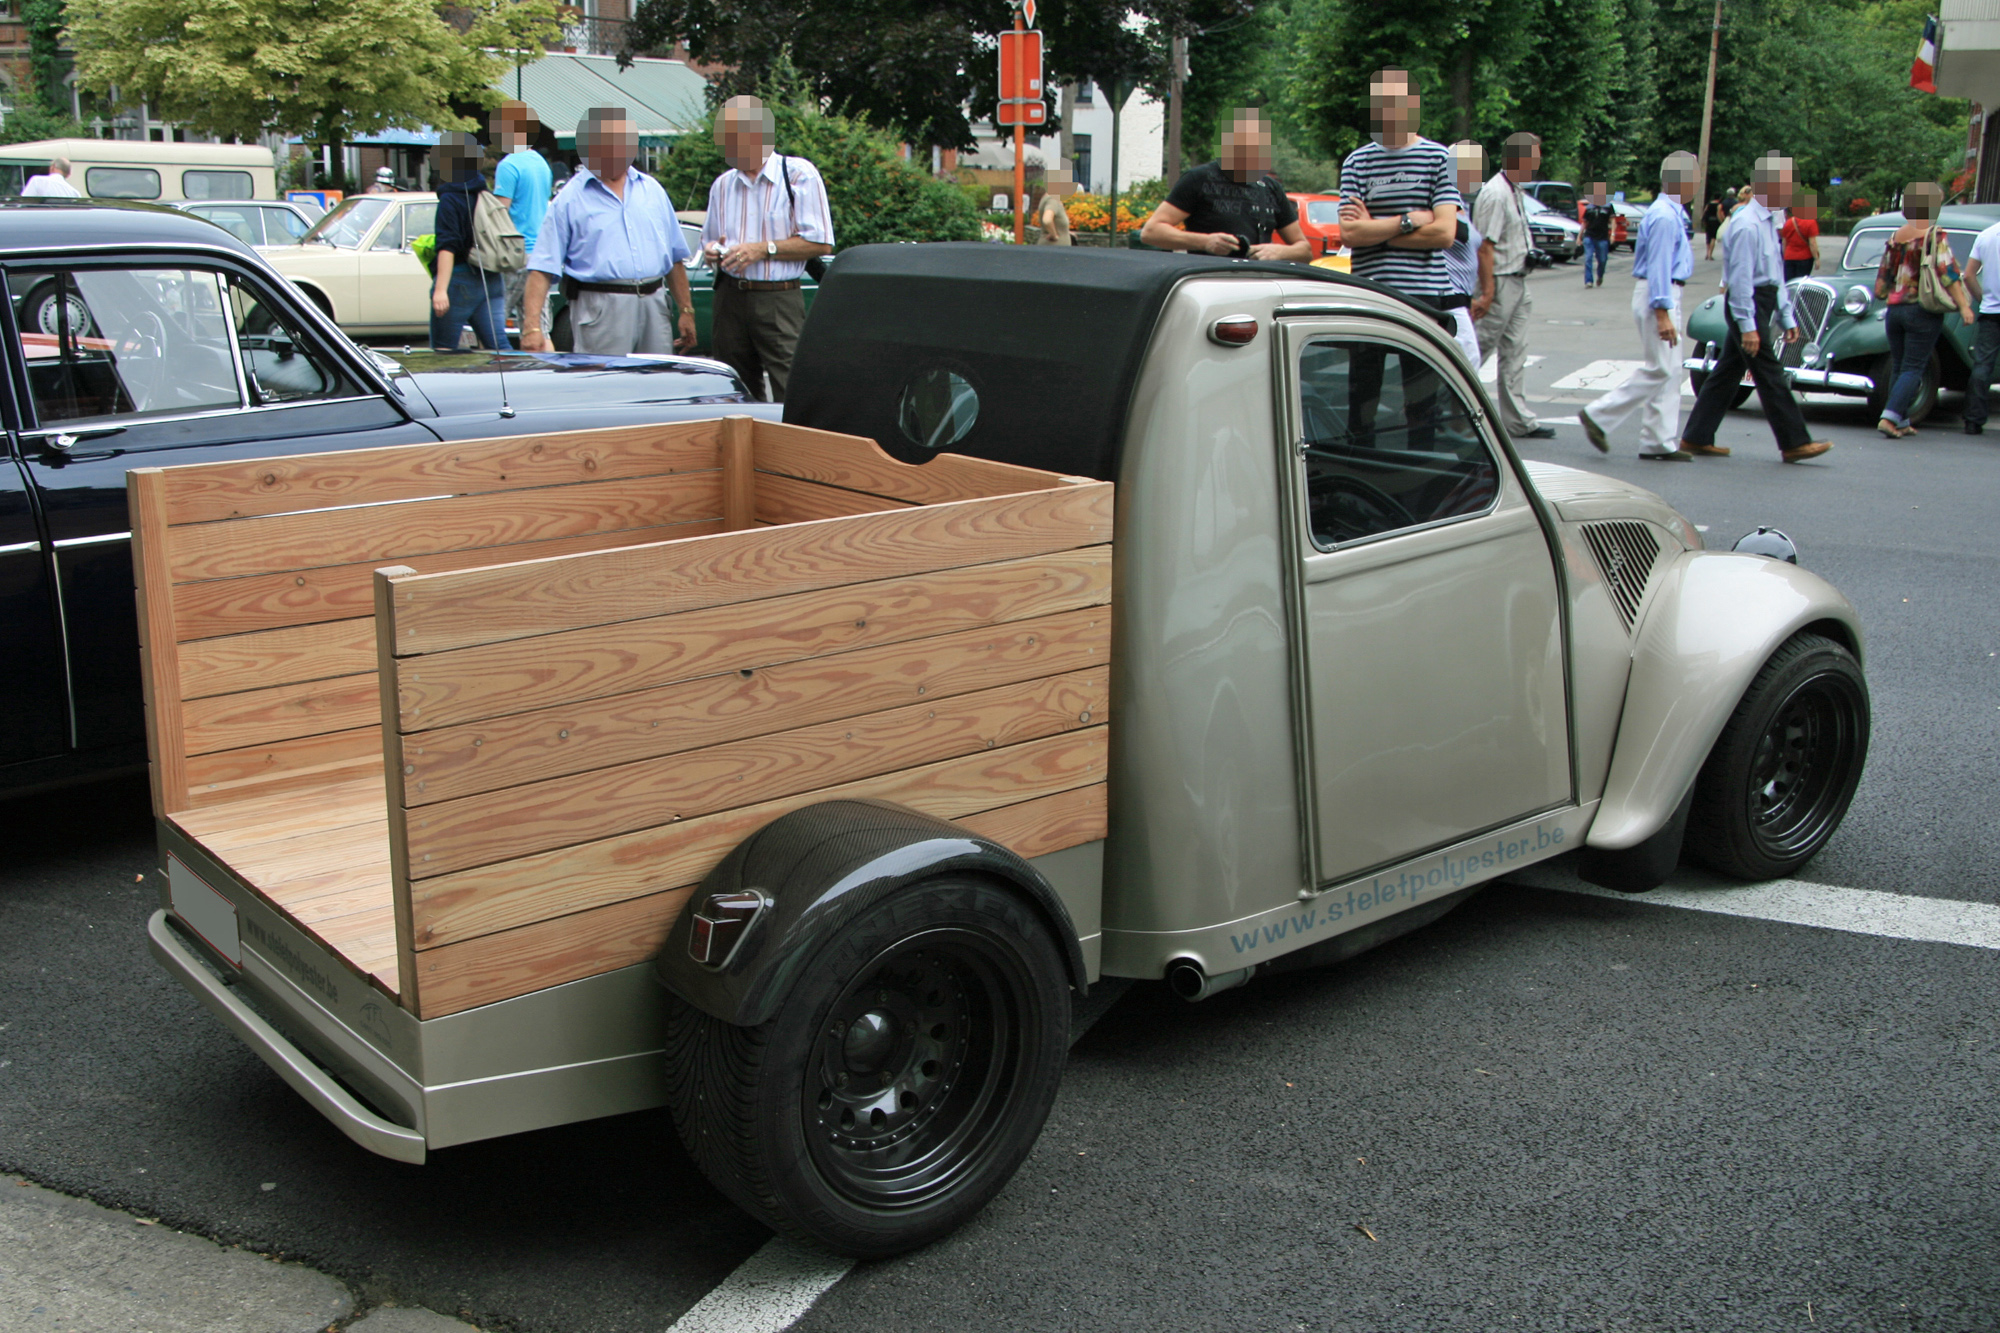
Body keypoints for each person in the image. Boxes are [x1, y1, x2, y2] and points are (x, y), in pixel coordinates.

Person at [1679, 153, 1832, 463]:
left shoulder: (1769, 220)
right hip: (1746, 303)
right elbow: (1740, 280)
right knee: (1769, 372)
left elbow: (1775, 273)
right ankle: (1794, 442)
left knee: (1727, 371)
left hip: (1760, 300)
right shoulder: (1747, 225)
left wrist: (1786, 314)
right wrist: (1747, 325)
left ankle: (1695, 436)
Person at [522, 107, 697, 357]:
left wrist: (686, 311)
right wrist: (531, 328)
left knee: (657, 386)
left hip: (654, 306)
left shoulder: (652, 191)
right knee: (607, 387)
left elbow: (674, 258)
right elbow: (541, 267)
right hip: (600, 310)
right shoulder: (570, 199)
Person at [700, 95, 834, 401]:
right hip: (729, 297)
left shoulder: (798, 174)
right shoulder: (722, 184)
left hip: (777, 298)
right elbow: (709, 239)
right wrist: (711, 251)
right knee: (733, 388)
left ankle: (794, 447)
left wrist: (764, 249)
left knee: (792, 386)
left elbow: (821, 241)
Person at [1579, 152, 1698, 461]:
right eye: (1695, 175)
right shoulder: (1664, 216)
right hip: (1660, 293)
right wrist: (1662, 312)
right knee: (1661, 367)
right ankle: (1599, 414)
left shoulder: (1670, 213)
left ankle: (1658, 441)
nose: (1698, 181)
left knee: (1669, 370)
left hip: (1664, 293)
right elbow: (1658, 265)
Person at [1871, 181, 1973, 438]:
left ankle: (1901, 419)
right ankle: (1890, 417)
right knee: (1914, 366)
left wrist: (1883, 294)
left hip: (1895, 310)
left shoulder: (1897, 235)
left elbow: (1884, 275)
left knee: (1899, 365)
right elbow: (1947, 272)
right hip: (1922, 309)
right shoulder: (1933, 235)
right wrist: (1963, 306)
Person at [1140, 108, 1311, 261]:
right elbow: (1151, 232)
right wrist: (1206, 242)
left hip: (1258, 282)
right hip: (1210, 282)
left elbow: (1304, 250)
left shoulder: (1270, 188)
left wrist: (1280, 252)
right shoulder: (1199, 179)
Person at [1473, 129, 1554, 437]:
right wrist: (1488, 292)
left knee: (1515, 350)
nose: (1538, 161)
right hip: (1501, 282)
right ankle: (1441, 402)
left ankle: (1517, 420)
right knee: (1479, 346)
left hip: (1518, 281)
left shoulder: (1514, 190)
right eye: (1535, 155)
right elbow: (1485, 247)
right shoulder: (1496, 193)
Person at [427, 132, 507, 352]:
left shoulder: (449, 199)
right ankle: (519, 381)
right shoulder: (484, 194)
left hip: (459, 281)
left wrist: (440, 290)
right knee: (500, 348)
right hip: (490, 278)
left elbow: (447, 245)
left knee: (444, 352)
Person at [491, 101, 554, 337]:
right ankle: (546, 369)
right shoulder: (541, 163)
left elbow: (500, 212)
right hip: (540, 252)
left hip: (515, 254)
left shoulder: (508, 165)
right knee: (537, 324)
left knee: (493, 318)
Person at [1445, 141, 1496, 365]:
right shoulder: (1441, 199)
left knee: (1465, 363)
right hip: (1446, 298)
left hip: (1460, 298)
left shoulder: (1460, 201)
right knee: (1469, 362)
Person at [1959, 213, 2000, 434]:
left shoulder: (1986, 236)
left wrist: (1983, 299)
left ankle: (1973, 419)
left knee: (1983, 364)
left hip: (1992, 310)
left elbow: (1969, 275)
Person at [1580, 182, 1615, 287]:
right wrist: (1579, 236)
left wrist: (1612, 234)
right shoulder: (1589, 207)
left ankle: (1600, 275)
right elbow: (1585, 222)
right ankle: (1588, 281)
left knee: (1603, 260)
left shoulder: (1608, 206)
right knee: (1588, 258)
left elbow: (1613, 221)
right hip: (1589, 236)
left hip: (1602, 237)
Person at [1781, 190, 1820, 282]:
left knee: (1789, 283)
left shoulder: (1789, 222)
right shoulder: (1811, 222)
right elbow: (1812, 243)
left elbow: (1784, 242)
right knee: (1801, 283)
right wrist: (1817, 259)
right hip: (1804, 258)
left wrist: (1784, 256)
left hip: (1789, 257)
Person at [1701, 194, 1723, 260]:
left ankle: (1707, 253)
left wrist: (1703, 220)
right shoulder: (1719, 205)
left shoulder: (1708, 204)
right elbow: (1719, 214)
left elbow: (1704, 212)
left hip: (1708, 222)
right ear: (1719, 198)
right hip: (1715, 222)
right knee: (1713, 238)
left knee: (1708, 238)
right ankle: (1710, 254)